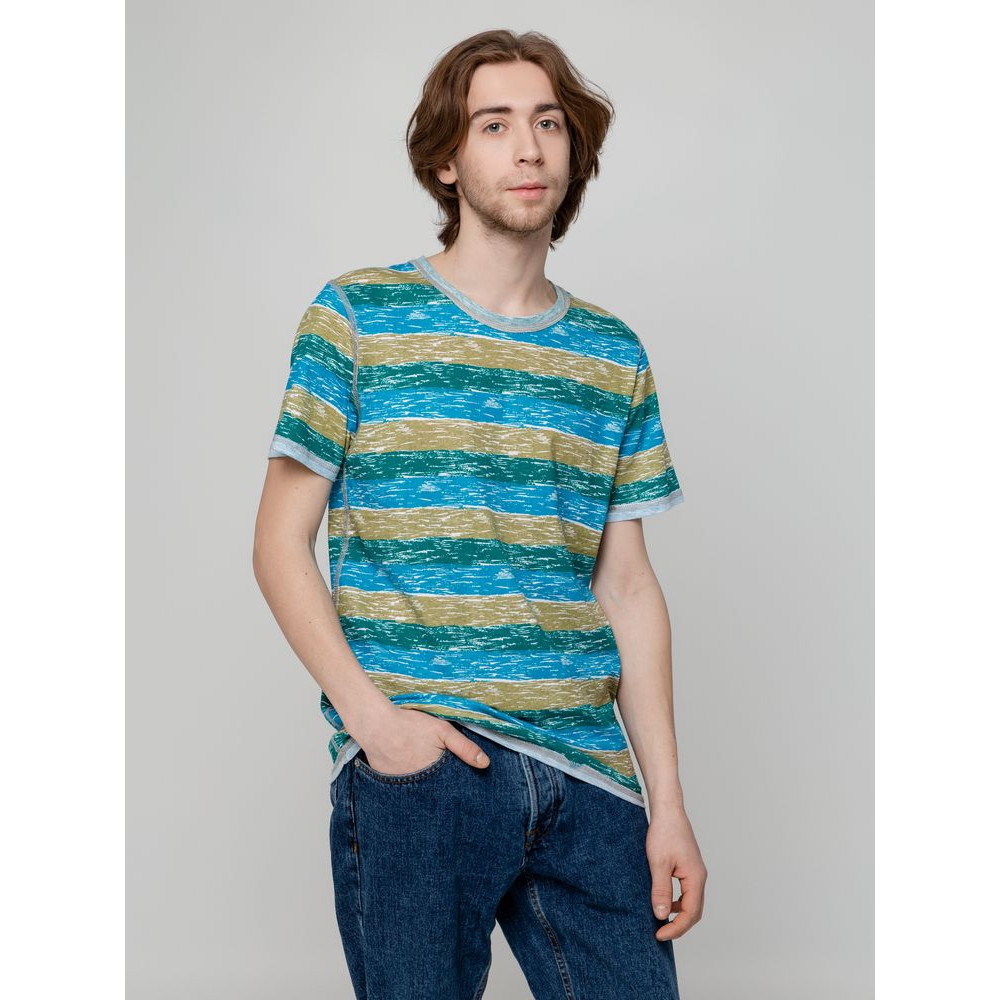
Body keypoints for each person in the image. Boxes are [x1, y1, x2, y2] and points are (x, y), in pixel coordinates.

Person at [253, 27, 707, 1000]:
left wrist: (667, 804)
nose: (528, 147)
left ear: (574, 151)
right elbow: (279, 543)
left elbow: (628, 586)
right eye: (494, 124)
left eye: (548, 123)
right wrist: (375, 726)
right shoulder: (357, 316)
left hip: (590, 779)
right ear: (448, 161)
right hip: (426, 768)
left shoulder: (612, 353)